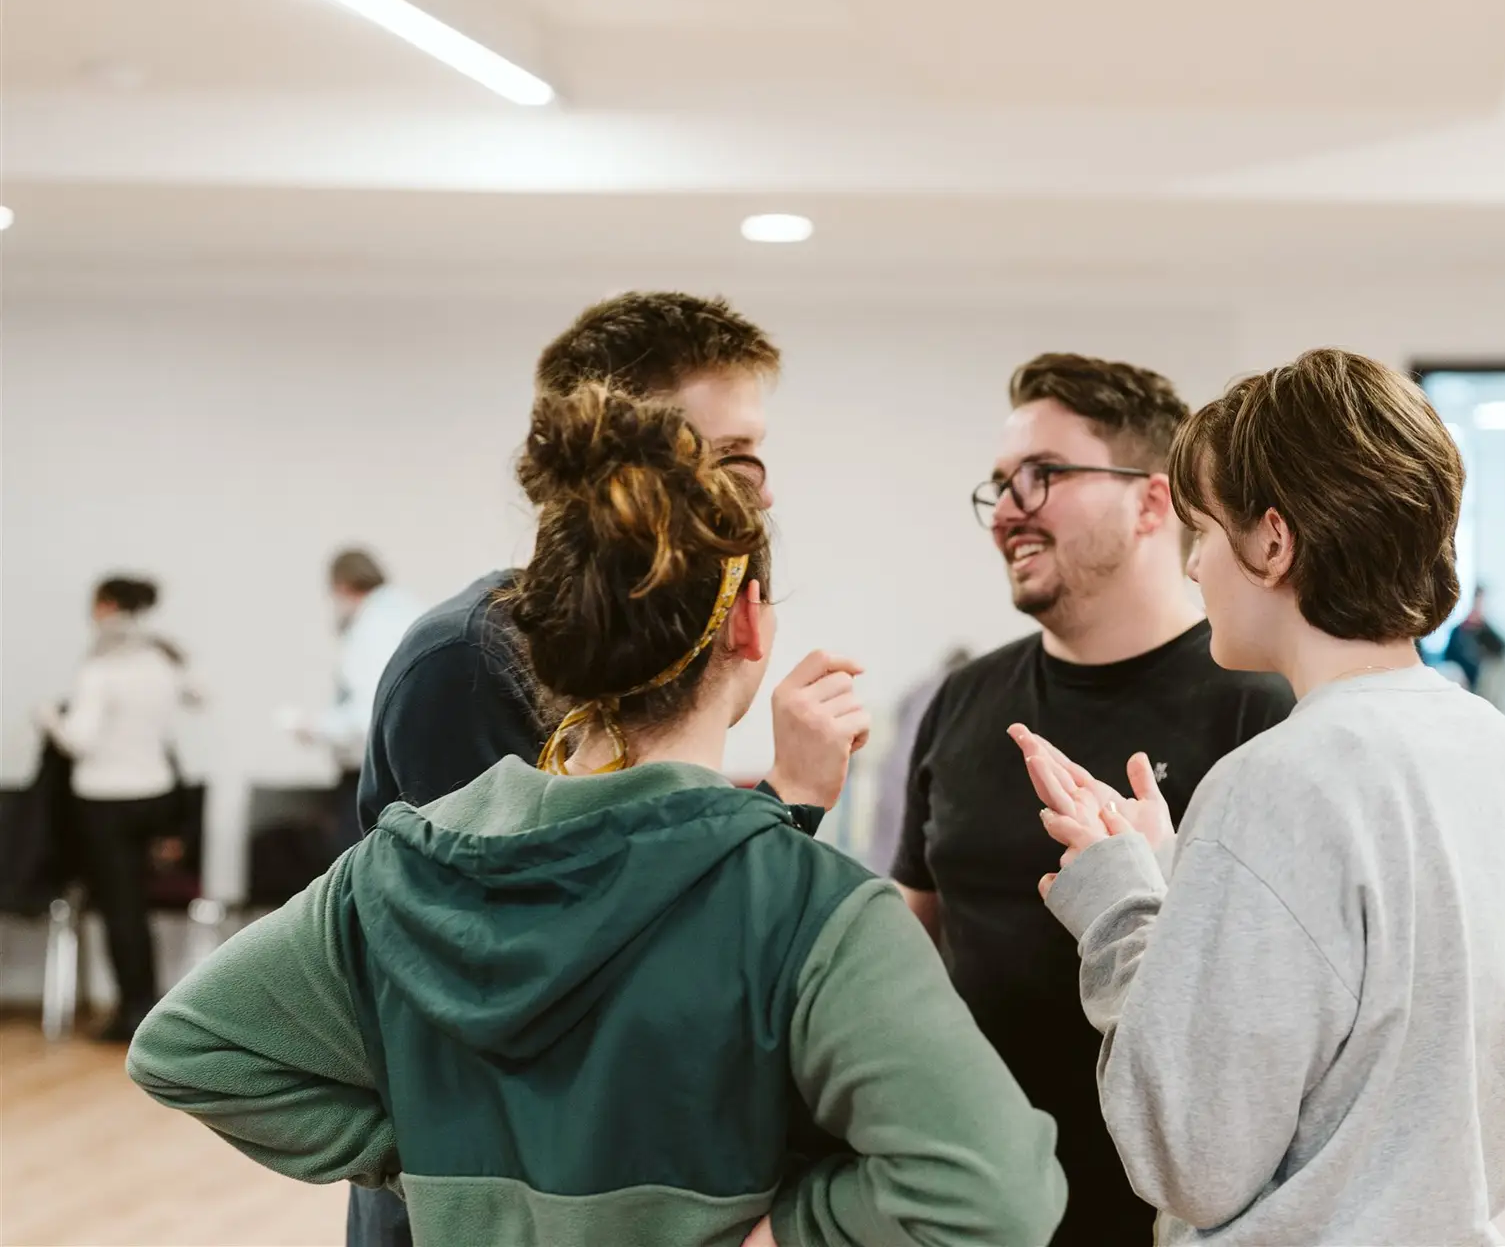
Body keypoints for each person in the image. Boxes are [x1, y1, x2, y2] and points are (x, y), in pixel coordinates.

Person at [128, 399, 1067, 1247]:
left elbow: (189, 1051)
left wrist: (430, 1162)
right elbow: (993, 1194)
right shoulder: (815, 910)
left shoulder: (390, 871)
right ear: (747, 624)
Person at [341, 291, 926, 1247]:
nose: (764, 492)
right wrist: (789, 803)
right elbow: (558, 976)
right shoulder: (472, 662)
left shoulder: (609, 660)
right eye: (737, 457)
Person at [1010, 348, 1505, 1245]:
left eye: (1203, 531)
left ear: (1273, 542)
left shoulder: (1277, 779)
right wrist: (1178, 883)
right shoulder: (1497, 750)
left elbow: (1189, 1155)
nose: (1194, 566)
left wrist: (1122, 908)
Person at [891, 352, 1295, 1245]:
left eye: (1043, 476)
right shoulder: (960, 702)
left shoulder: (1258, 708)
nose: (1006, 510)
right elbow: (915, 933)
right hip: (973, 1198)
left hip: (1163, 1207)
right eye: (998, 484)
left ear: (1154, 502)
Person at [36, 576, 197, 1041]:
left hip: (106, 800)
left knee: (121, 909)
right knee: (137, 907)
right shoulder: (162, 660)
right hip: (157, 795)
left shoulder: (100, 668)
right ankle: (149, 1009)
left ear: (106, 606)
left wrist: (48, 716)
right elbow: (198, 694)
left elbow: (79, 740)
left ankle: (135, 1014)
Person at [285, 550, 421, 854]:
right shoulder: (410, 612)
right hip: (413, 772)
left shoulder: (370, 629)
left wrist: (315, 727)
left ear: (342, 586)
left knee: (354, 872)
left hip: (372, 776)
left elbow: (366, 716)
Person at [863, 645, 970, 872]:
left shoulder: (919, 689)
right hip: (917, 780)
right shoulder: (959, 692)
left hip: (895, 776)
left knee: (888, 856)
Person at [1443, 584, 1505, 693]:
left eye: (1481, 603)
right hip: (1463, 681)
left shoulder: (1485, 631)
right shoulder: (1458, 631)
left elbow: (1503, 649)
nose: (1479, 607)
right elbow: (1450, 658)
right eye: (1477, 602)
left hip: (1483, 681)